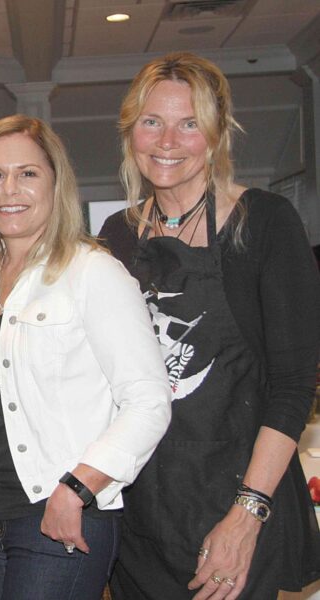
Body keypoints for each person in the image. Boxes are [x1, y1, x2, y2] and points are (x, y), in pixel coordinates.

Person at [99, 51, 320, 599]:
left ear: (217, 134)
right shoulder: (117, 235)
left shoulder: (265, 222)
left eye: (189, 123)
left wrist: (246, 519)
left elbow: (292, 387)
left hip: (237, 501)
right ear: (131, 132)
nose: (167, 141)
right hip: (140, 515)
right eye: (152, 121)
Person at [0, 114, 171, 599]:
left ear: (55, 185)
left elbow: (149, 401)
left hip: (58, 514)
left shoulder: (93, 271)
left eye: (28, 173)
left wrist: (77, 488)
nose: (11, 189)